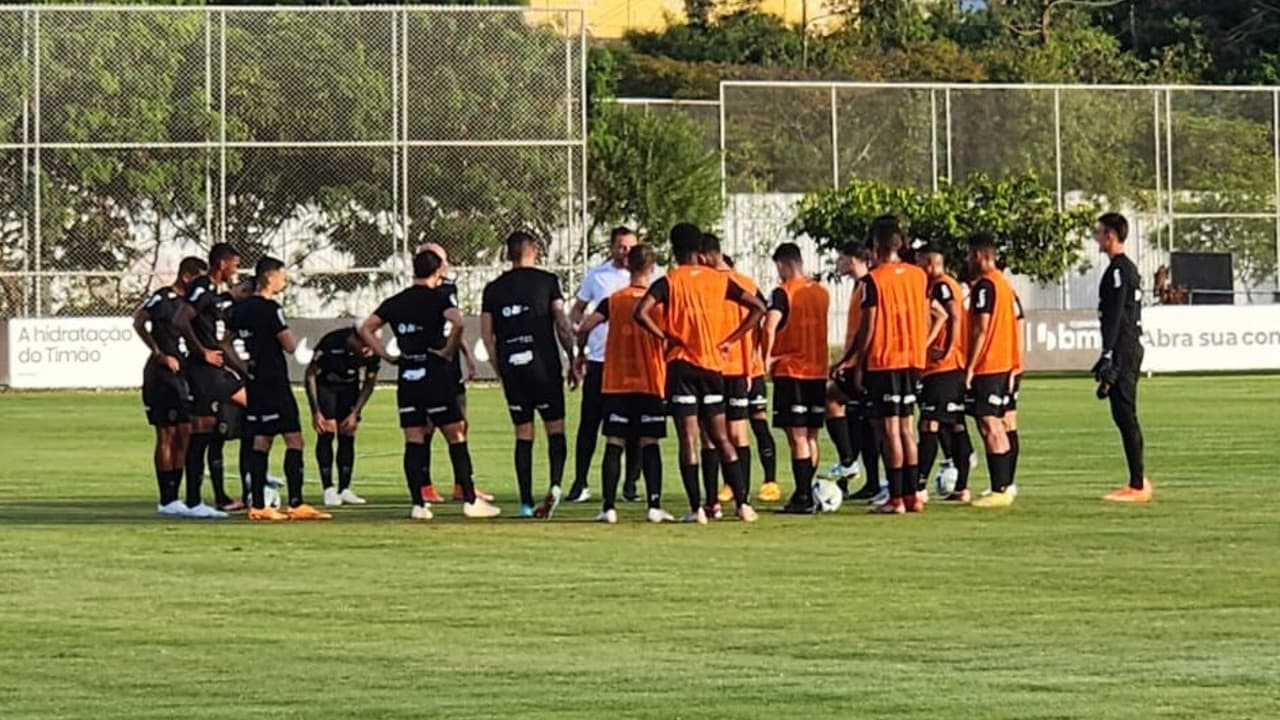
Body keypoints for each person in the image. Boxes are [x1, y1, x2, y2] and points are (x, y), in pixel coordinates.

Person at [634, 222, 766, 524]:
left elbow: (640, 312)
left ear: (674, 250)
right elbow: (758, 306)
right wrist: (730, 340)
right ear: (699, 251)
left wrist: (664, 336)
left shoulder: (669, 281)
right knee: (721, 437)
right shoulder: (718, 280)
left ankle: (697, 510)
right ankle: (743, 504)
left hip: (681, 367)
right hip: (713, 367)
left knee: (688, 440)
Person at [359, 249, 500, 520]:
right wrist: (448, 350)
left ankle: (418, 504)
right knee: (456, 435)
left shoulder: (396, 301)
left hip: (408, 375)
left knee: (414, 439)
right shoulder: (439, 297)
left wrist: (386, 355)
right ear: (437, 272)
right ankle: (470, 500)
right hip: (435, 373)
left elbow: (366, 328)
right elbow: (458, 322)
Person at [481, 231, 579, 519]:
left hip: (513, 365)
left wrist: (501, 372)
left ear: (508, 254)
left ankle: (525, 502)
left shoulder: (493, 289)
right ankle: (556, 485)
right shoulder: (548, 282)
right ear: (533, 250)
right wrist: (573, 358)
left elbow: (488, 337)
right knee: (555, 429)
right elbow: (561, 323)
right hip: (544, 366)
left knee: (523, 433)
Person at [576, 244, 675, 524]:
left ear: (628, 266)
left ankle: (608, 507)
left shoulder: (614, 300)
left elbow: (584, 327)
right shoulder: (658, 301)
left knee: (614, 441)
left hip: (616, 382)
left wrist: (580, 356)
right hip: (651, 381)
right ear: (652, 268)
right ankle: (654, 505)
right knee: (650, 442)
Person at [837, 218, 928, 515]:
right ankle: (914, 495)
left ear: (876, 247)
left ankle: (897, 497)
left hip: (885, 361)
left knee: (890, 431)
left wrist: (856, 362)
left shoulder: (873, 280)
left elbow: (870, 325)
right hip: (913, 360)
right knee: (907, 428)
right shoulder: (918, 276)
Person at [233, 257, 329, 521]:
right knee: (294, 438)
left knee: (261, 440)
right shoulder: (270, 308)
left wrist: (242, 365)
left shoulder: (239, 309)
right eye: (281, 276)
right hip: (274, 381)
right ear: (268, 277)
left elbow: (226, 342)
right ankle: (295, 502)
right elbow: (288, 344)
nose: (283, 281)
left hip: (255, 380)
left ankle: (259, 504)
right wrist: (297, 344)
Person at [414, 242, 493, 506]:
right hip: (430, 367)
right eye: (441, 259)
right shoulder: (420, 293)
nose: (445, 264)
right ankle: (424, 485)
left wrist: (467, 356)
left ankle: (463, 484)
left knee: (461, 424)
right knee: (426, 427)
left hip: (450, 365)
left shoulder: (449, 289)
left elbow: (454, 327)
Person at [567, 226, 641, 504]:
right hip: (600, 359)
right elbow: (578, 308)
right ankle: (580, 482)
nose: (626, 252)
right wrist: (579, 338)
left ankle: (631, 482)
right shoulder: (597, 276)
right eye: (621, 246)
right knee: (590, 422)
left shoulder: (647, 277)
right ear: (611, 247)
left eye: (630, 247)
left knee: (633, 426)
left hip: (632, 362)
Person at [174, 242, 247, 514]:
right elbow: (181, 319)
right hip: (203, 371)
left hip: (216, 370)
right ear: (222, 264)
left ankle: (235, 490)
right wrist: (202, 352)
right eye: (235, 264)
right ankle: (194, 501)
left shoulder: (217, 293)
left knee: (217, 429)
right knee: (202, 432)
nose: (236, 270)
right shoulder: (202, 287)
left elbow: (216, 335)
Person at [135, 256, 208, 517]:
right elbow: (139, 321)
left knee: (186, 432)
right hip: (162, 375)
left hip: (185, 375)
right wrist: (158, 353)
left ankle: (176, 495)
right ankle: (166, 497)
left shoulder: (193, 304)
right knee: (166, 434)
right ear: (187, 276)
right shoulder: (163, 298)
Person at [699, 236, 768, 511]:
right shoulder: (747, 283)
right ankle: (744, 499)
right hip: (740, 369)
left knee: (709, 436)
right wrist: (752, 354)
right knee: (739, 435)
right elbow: (762, 315)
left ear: (704, 256)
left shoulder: (706, 285)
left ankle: (712, 502)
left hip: (711, 367)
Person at [761, 242, 830, 514]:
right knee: (811, 436)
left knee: (797, 437)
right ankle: (807, 492)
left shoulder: (783, 292)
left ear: (783, 264)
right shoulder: (821, 293)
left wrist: (766, 357)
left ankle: (802, 496)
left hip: (792, 370)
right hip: (818, 371)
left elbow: (769, 326)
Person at [1093, 213, 1153, 503]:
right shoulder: (1123, 269)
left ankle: (1138, 485)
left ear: (1111, 236)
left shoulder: (1119, 270)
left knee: (1126, 414)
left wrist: (1109, 354)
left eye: (1100, 232)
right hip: (1124, 348)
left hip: (1124, 350)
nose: (1096, 237)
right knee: (1120, 413)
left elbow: (1116, 315)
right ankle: (1137, 479)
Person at [915, 244, 977, 504]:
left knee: (929, 423)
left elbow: (950, 316)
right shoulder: (943, 284)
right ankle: (961, 487)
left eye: (920, 262)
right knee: (954, 424)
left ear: (930, 262)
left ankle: (919, 486)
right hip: (951, 367)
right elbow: (944, 316)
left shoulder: (941, 284)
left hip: (944, 368)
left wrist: (945, 348)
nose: (918, 268)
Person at [964, 233, 1020, 509]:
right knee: (1002, 422)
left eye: (968, 254)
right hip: (1003, 364)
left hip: (989, 366)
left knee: (990, 423)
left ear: (979, 255)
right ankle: (1005, 484)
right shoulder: (1005, 285)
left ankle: (1000, 488)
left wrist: (970, 367)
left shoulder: (986, 286)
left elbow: (981, 329)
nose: (967, 260)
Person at [304, 325, 379, 507]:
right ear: (353, 338)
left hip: (349, 388)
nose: (366, 350)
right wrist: (316, 411)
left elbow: (369, 383)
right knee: (327, 432)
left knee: (348, 432)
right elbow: (310, 375)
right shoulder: (331, 341)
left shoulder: (372, 350)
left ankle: (345, 488)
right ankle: (328, 488)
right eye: (363, 345)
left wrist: (356, 412)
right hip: (326, 387)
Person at [829, 244, 880, 501]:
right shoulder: (858, 286)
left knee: (832, 399)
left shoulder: (869, 284)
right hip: (856, 362)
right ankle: (864, 477)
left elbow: (866, 330)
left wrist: (851, 361)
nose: (837, 262)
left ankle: (849, 461)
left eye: (840, 257)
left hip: (865, 364)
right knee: (859, 418)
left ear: (852, 259)